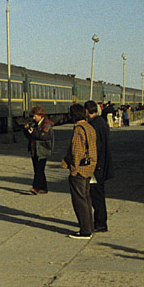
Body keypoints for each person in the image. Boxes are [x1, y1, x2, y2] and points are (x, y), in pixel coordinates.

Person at [61, 104, 98, 239]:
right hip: (90, 167)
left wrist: (73, 170)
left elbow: (76, 151)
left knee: (79, 200)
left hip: (80, 170)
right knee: (86, 199)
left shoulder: (78, 130)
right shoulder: (89, 127)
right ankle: (89, 227)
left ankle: (85, 231)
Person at [85, 100, 113, 232]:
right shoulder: (102, 122)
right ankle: (100, 222)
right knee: (99, 195)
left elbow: (95, 147)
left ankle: (100, 223)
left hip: (97, 167)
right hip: (102, 164)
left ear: (86, 111)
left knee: (96, 196)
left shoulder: (93, 125)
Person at [22, 105, 55, 195]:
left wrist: (33, 132)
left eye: (35, 116)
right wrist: (26, 130)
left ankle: (35, 188)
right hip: (34, 150)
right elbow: (30, 136)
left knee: (39, 170)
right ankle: (43, 188)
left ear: (41, 115)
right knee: (38, 170)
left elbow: (44, 136)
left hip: (43, 151)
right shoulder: (34, 124)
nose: (33, 117)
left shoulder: (47, 125)